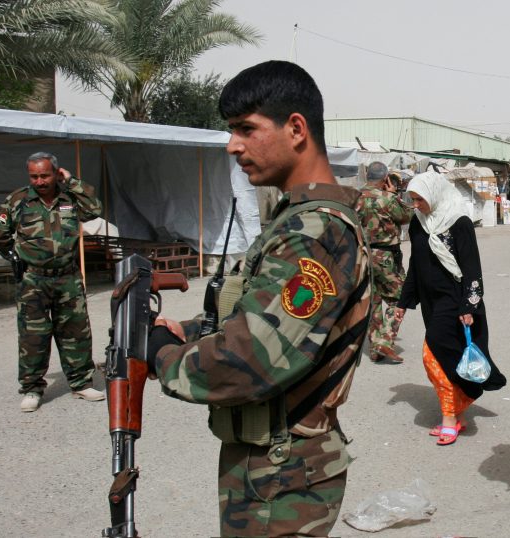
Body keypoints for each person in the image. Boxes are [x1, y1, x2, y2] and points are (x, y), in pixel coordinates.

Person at [145, 61, 371, 537]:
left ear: (295, 129)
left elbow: (250, 359)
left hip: (284, 474)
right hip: (272, 463)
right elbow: (258, 316)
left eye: (246, 129)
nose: (233, 146)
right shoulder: (298, 220)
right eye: (232, 131)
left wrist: (164, 357)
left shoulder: (315, 233)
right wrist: (185, 332)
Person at [394, 171, 506, 446]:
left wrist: (469, 305)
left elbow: (471, 269)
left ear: (434, 194)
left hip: (455, 301)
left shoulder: (460, 223)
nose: (416, 204)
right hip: (431, 302)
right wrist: (403, 303)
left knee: (431, 355)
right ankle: (459, 410)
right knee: (449, 358)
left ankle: (448, 417)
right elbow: (415, 268)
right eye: (413, 199)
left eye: (420, 199)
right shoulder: (418, 223)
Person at [0, 152, 105, 412]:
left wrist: (72, 180)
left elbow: (95, 209)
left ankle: (80, 383)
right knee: (33, 337)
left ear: (55, 173)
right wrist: (15, 258)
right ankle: (32, 388)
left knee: (76, 333)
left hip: (68, 278)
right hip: (33, 280)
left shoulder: (70, 198)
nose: (39, 181)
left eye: (45, 175)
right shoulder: (18, 200)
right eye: (34, 176)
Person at [355, 161, 412, 363]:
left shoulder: (354, 198)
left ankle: (375, 347)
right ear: (385, 177)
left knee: (374, 300)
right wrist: (394, 193)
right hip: (386, 257)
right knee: (400, 298)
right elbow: (407, 216)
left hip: (362, 256)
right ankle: (385, 342)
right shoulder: (387, 199)